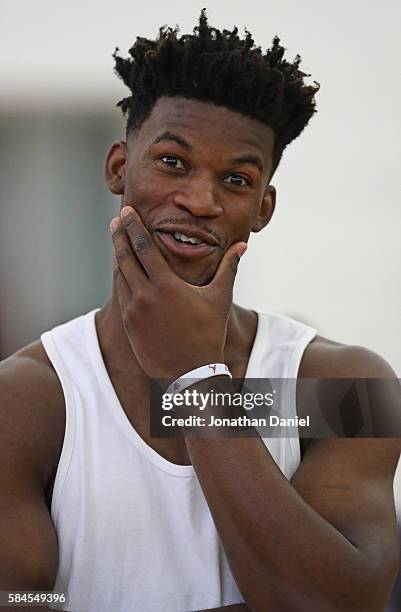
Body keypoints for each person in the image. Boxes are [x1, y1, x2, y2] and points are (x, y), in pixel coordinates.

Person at [1, 10, 400, 612]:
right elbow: (23, 601)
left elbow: (339, 603)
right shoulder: (30, 399)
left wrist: (195, 376)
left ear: (263, 208)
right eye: (171, 163)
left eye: (236, 179)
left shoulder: (343, 385)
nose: (198, 201)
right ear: (118, 168)